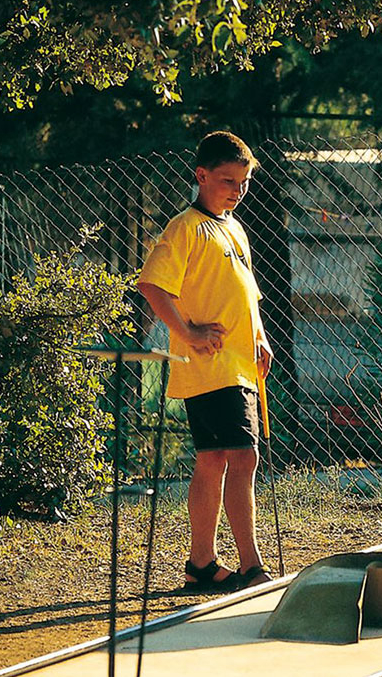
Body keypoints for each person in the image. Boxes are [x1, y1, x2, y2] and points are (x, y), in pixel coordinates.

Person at [138, 131, 274, 592]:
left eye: (243, 183)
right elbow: (153, 285)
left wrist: (260, 337)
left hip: (240, 363)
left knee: (217, 458)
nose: (237, 191)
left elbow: (246, 295)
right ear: (201, 176)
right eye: (226, 181)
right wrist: (188, 332)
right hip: (209, 365)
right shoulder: (185, 227)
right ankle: (251, 564)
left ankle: (201, 565)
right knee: (242, 455)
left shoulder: (234, 228)